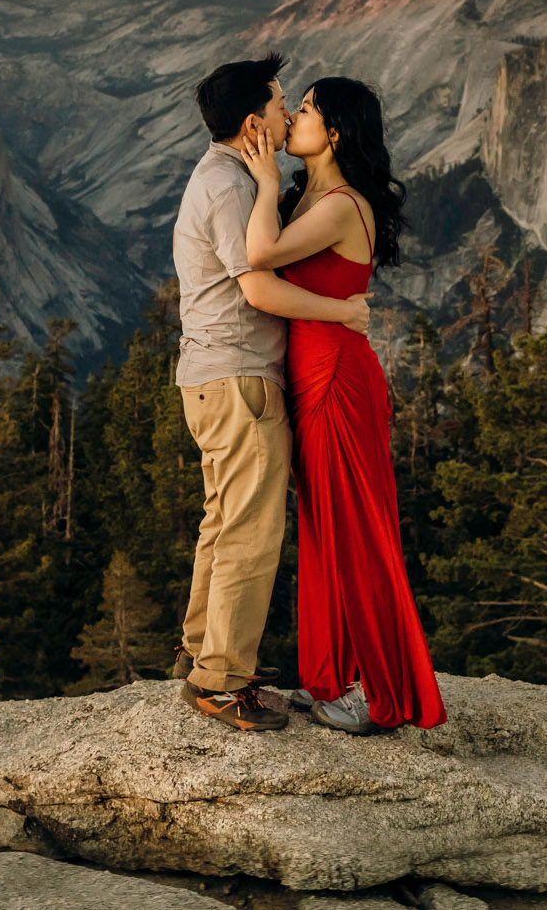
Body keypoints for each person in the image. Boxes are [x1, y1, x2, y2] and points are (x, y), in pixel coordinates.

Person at [238, 76, 446, 735]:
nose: (293, 116)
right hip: (313, 377)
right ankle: (333, 678)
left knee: (355, 533)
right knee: (327, 531)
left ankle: (381, 693)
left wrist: (267, 181)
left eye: (305, 109)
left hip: (335, 381)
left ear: (334, 133)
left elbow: (262, 256)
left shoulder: (339, 204)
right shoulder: (316, 199)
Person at [172, 54, 371, 732]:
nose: (289, 113)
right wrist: (339, 311)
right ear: (255, 122)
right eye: (284, 103)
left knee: (223, 519)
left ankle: (201, 654)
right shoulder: (232, 187)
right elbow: (255, 283)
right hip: (241, 379)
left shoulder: (224, 174)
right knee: (253, 533)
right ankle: (223, 681)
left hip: (213, 376)